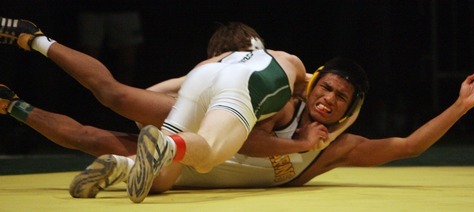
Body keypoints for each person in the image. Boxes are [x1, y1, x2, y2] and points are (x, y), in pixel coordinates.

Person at [0, 17, 474, 202]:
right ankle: (35, 39)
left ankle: (11, 103)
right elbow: (247, 132)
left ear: (349, 110)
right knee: (115, 97)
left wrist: (460, 106)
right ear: (316, 83)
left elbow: (408, 147)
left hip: (186, 162)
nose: (327, 100)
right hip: (201, 140)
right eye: (328, 90)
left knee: (95, 138)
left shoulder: (337, 149)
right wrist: (295, 142)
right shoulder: (285, 107)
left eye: (340, 99)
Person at [0, 17, 308, 203]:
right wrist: (304, 142)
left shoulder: (208, 64)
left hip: (194, 99)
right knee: (205, 153)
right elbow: (260, 137)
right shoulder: (286, 64)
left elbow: (148, 97)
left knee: (113, 115)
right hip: (217, 126)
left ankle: (122, 164)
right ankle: (162, 147)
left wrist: (161, 118)